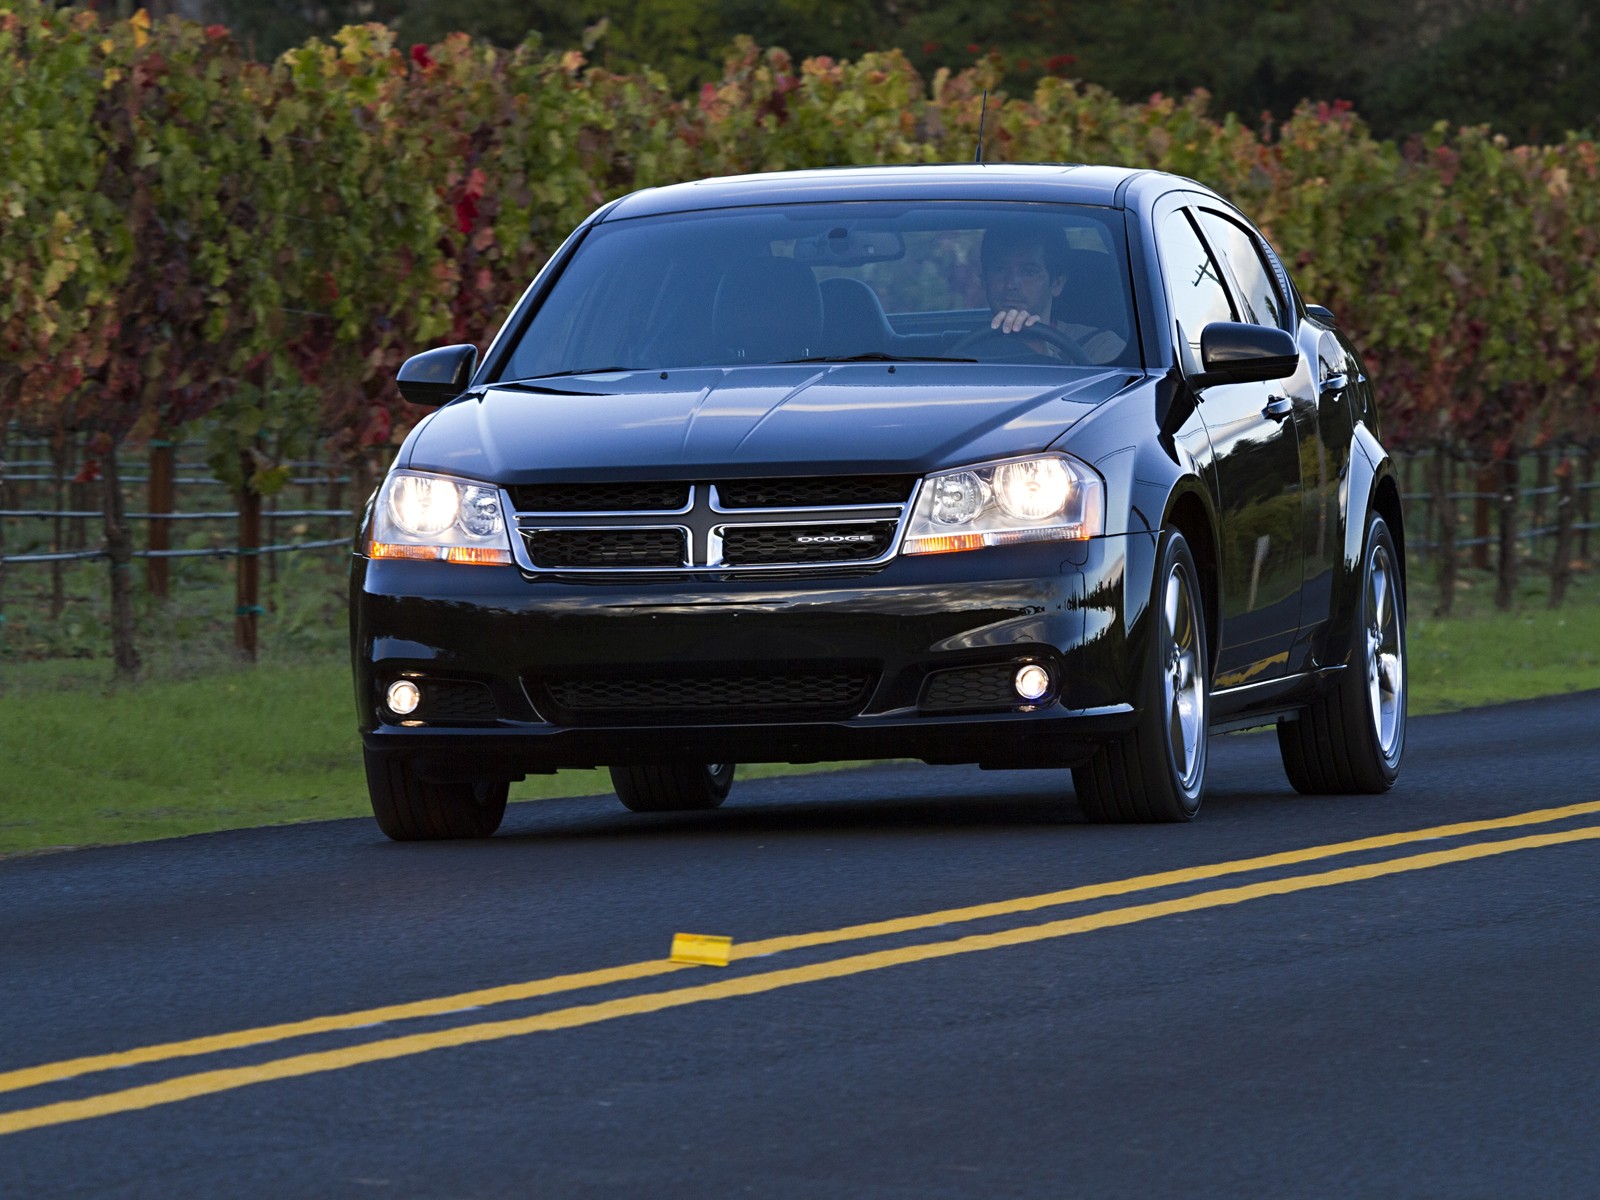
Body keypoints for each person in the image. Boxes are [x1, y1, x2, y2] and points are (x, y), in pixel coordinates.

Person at [978, 224, 1126, 362]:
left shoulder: (1101, 346)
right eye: (999, 269)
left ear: (1057, 283)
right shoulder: (962, 347)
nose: (1011, 284)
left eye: (1029, 271)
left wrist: (1043, 357)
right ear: (984, 280)